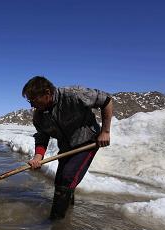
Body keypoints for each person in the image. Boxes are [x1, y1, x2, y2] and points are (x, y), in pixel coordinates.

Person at [22, 76, 113, 220]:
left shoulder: (73, 94)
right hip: (66, 147)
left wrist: (105, 132)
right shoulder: (39, 116)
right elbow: (42, 136)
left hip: (87, 142)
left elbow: (106, 100)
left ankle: (55, 224)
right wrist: (38, 156)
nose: (32, 105)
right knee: (60, 182)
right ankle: (68, 214)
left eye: (34, 99)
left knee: (67, 178)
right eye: (29, 101)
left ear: (47, 93)